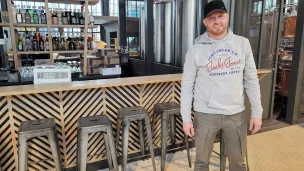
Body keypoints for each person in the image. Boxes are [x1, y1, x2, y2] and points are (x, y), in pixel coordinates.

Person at [180, 0, 263, 171]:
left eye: (220, 16)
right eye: (211, 18)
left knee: (238, 163)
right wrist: (186, 118)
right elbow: (187, 85)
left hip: (235, 114)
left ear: (227, 17)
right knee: (201, 163)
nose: (217, 21)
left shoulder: (242, 44)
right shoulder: (195, 49)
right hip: (205, 115)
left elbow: (251, 80)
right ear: (205, 22)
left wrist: (257, 112)